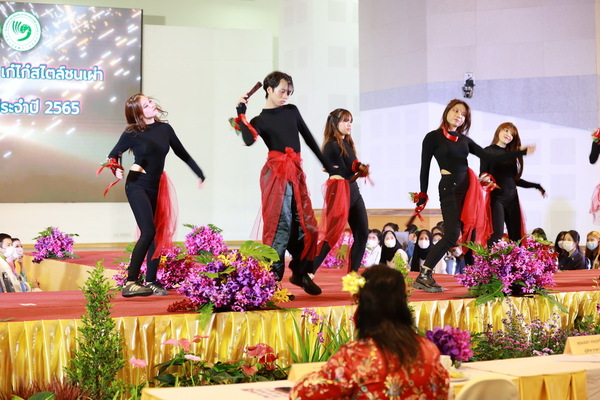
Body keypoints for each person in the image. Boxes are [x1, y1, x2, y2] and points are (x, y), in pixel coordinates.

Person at [413, 99, 534, 292]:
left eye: (463, 115)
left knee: (471, 233)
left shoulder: (464, 140)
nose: (459, 116)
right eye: (456, 111)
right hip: (449, 189)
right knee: (452, 234)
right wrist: (422, 194)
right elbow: (424, 168)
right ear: (447, 111)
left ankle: (476, 276)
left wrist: (519, 153)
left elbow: (489, 156)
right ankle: (424, 274)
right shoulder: (433, 137)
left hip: (469, 190)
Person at [235, 71, 335, 295]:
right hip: (276, 175)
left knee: (307, 226)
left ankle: (301, 272)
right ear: (269, 89)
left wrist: (329, 166)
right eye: (282, 91)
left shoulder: (292, 111)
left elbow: (309, 138)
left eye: (289, 92)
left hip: (295, 173)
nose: (285, 96)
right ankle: (271, 284)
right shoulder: (260, 120)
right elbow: (249, 140)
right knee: (280, 227)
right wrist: (241, 113)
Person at [290, 264, 450, 399]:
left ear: (363, 305)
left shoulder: (356, 356)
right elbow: (443, 391)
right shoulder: (428, 350)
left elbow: (300, 394)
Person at [105, 93, 205, 298]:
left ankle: (151, 281)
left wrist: (199, 173)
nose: (151, 105)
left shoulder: (165, 129)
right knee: (148, 231)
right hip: (136, 184)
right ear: (138, 113)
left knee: (156, 234)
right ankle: (130, 282)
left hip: (156, 184)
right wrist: (116, 169)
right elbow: (113, 154)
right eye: (146, 105)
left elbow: (182, 153)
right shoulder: (132, 132)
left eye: (150, 101)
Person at [313, 108, 369, 273]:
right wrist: (359, 169)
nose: (349, 124)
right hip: (339, 191)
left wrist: (360, 169)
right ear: (334, 123)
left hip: (353, 191)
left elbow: (351, 168)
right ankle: (308, 271)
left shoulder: (347, 144)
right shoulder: (331, 146)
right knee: (332, 235)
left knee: (362, 234)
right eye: (345, 121)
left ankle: (353, 276)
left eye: (350, 121)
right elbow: (342, 170)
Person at [480, 122, 546, 245]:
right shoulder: (488, 151)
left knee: (516, 236)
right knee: (497, 234)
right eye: (506, 131)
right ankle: (488, 257)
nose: (509, 135)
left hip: (512, 198)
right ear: (499, 131)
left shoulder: (511, 155)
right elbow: (483, 174)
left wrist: (536, 186)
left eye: (512, 134)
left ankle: (517, 258)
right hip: (497, 198)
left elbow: (514, 180)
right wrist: (487, 180)